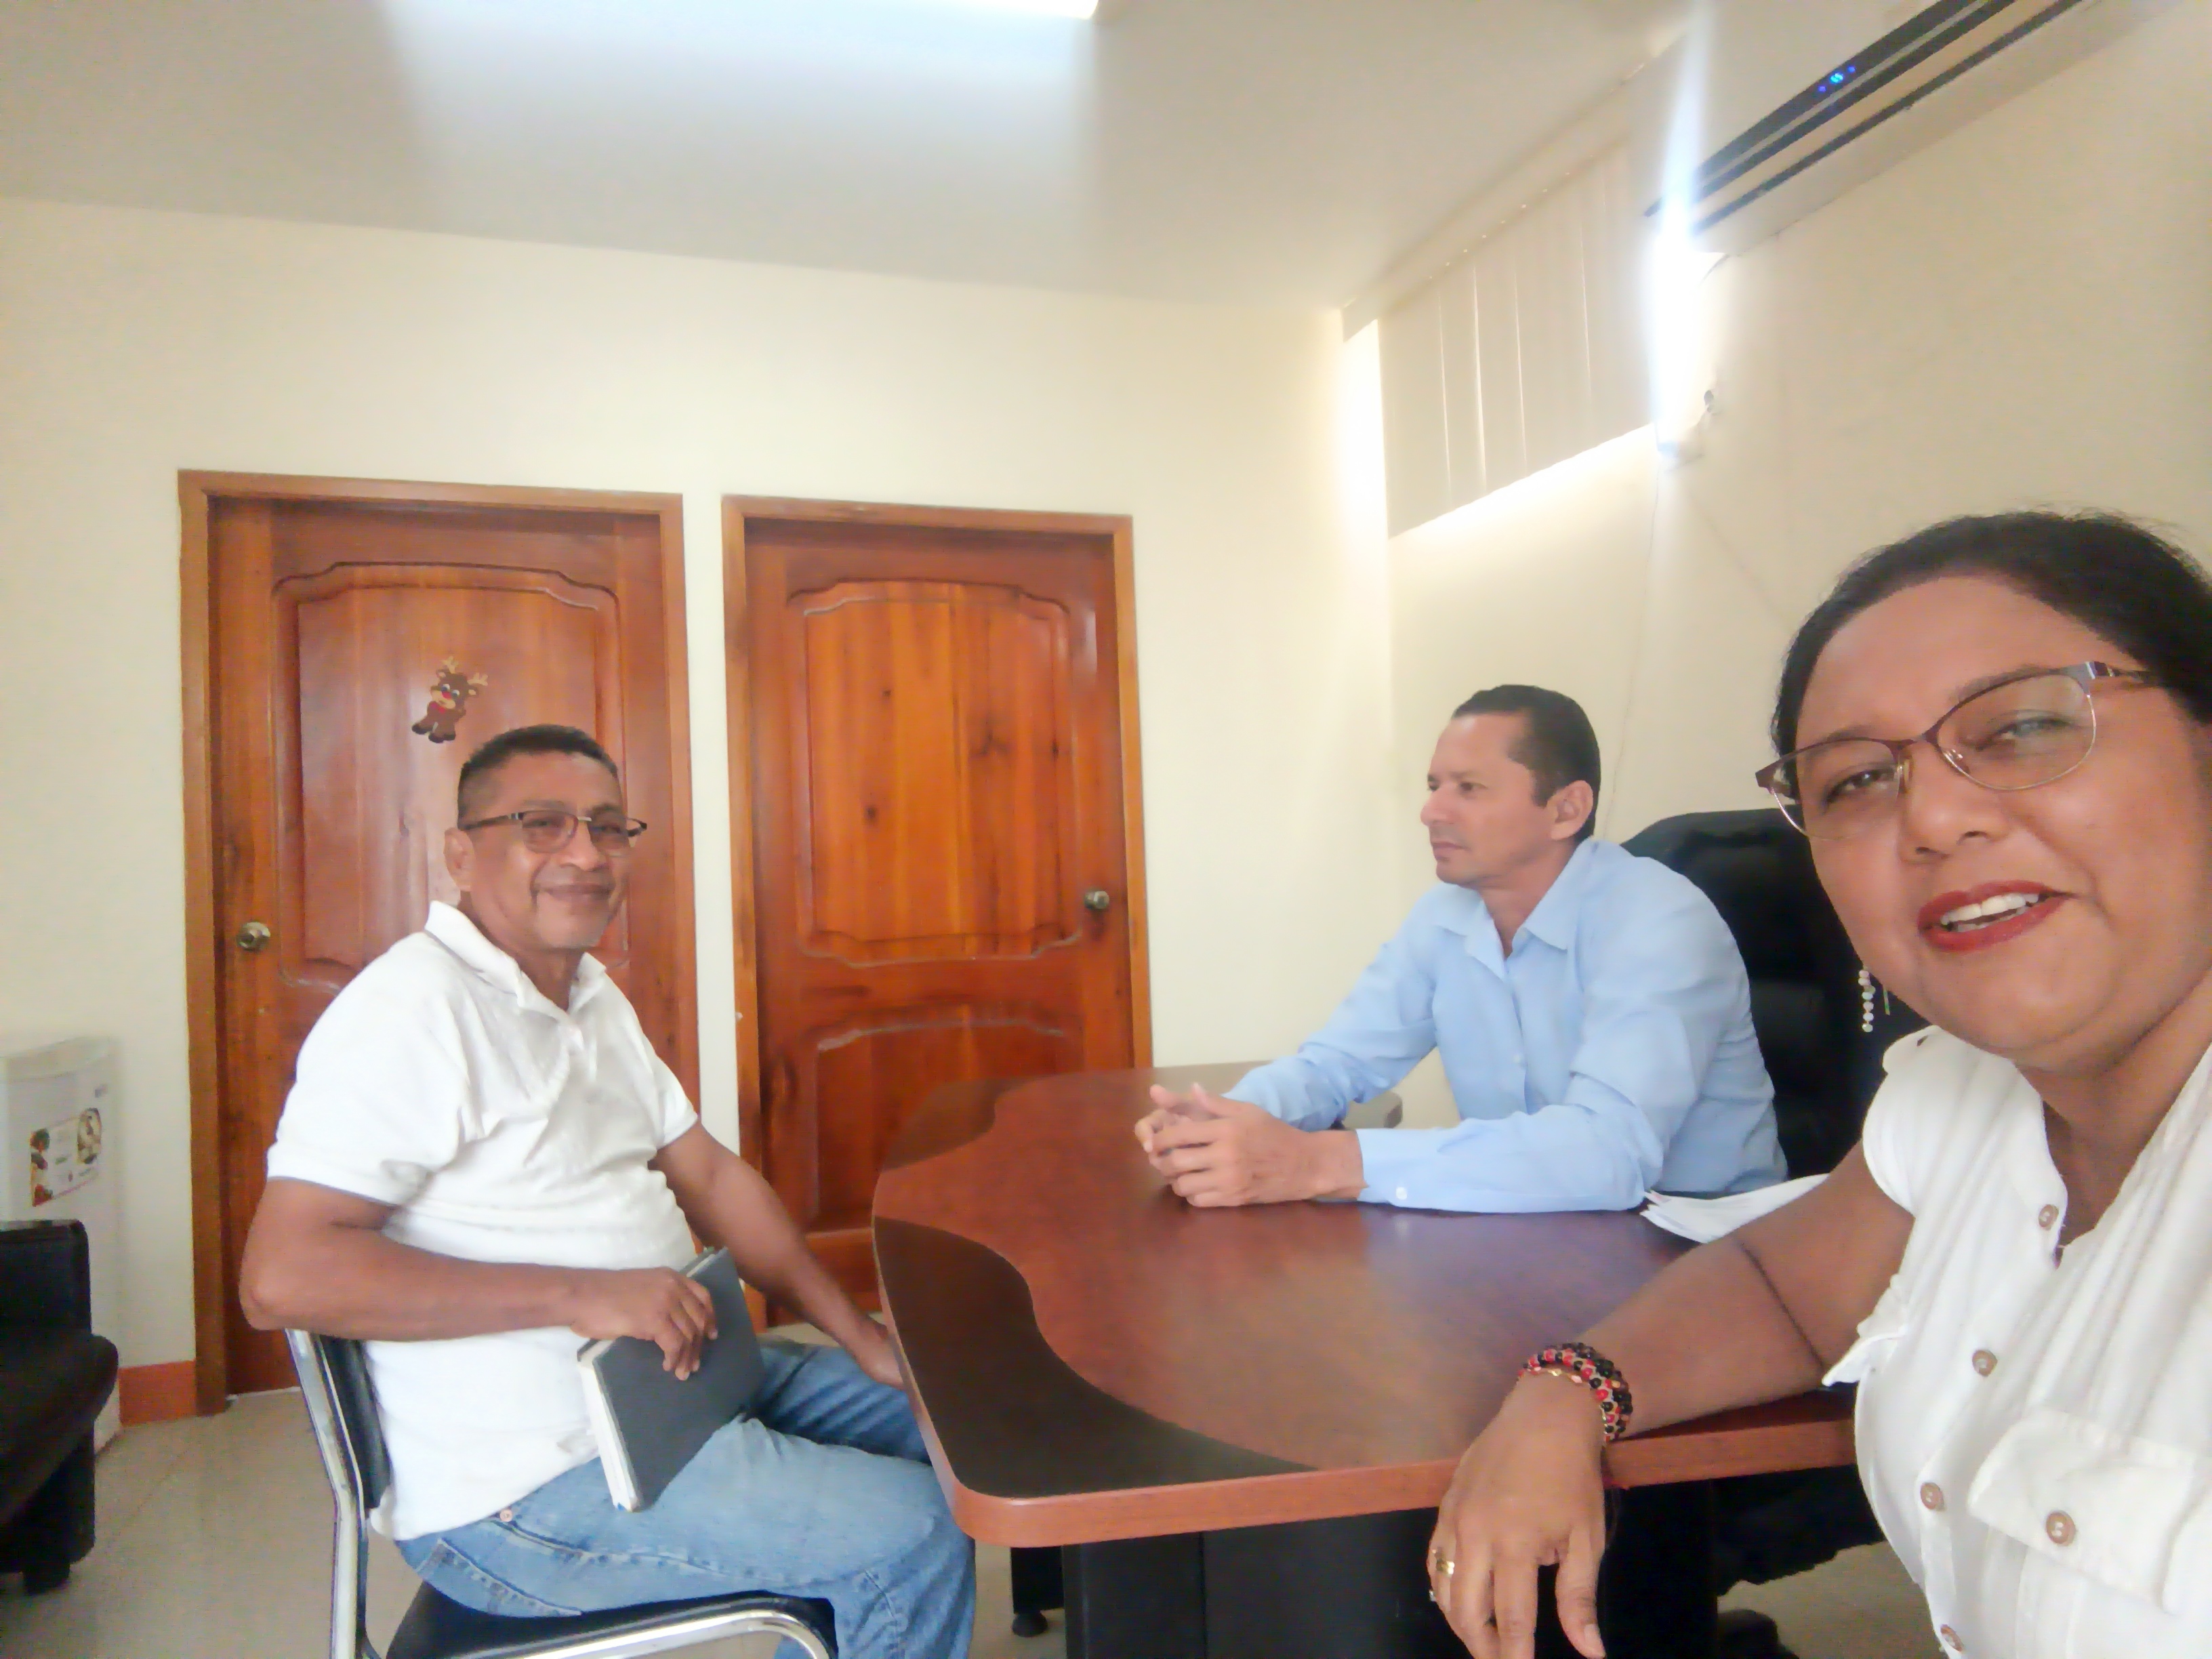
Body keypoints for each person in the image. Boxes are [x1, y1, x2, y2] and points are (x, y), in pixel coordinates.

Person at [1427, 511, 2212, 1659]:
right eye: (1856, 781)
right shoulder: (1965, 1094)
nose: (1932, 816)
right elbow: (1777, 1283)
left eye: (2021, 727)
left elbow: (1598, 1145)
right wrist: (1563, 1387)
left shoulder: (1652, 910)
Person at [239, 724, 972, 1659]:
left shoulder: (588, 994)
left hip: (682, 1387)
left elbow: (711, 1175)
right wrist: (583, 1294)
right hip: (530, 1486)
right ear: (460, 855)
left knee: (962, 1424)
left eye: (607, 826)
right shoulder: (412, 1009)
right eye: (540, 825)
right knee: (910, 1534)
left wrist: (858, 1334)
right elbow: (283, 1277)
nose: (585, 854)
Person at [1137, 684, 1784, 1211]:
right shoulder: (1446, 916)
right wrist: (1222, 1123)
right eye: (1433, 786)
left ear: (1566, 809)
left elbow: (1609, 1155)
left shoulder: (1657, 919)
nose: (1432, 812)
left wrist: (1319, 1162)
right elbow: (1335, 1065)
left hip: (1697, 1239)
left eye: (1468, 789)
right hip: (1540, 1229)